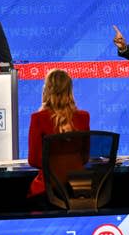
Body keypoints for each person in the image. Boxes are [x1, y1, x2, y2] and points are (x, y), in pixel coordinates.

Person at [27, 69, 90, 197]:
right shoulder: (83, 117)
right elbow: (84, 158)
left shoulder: (38, 118)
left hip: (49, 189)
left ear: (46, 90)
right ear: (70, 90)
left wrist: (56, 165)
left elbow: (34, 160)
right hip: (79, 188)